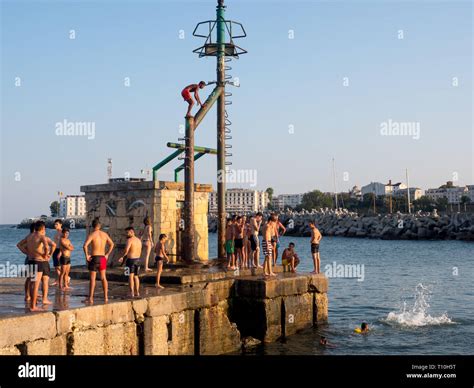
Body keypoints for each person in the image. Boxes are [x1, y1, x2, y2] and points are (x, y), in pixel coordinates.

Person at [82, 218, 114, 304]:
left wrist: (87, 256)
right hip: (103, 258)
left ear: (93, 226)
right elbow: (112, 244)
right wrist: (107, 254)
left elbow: (85, 246)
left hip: (95, 257)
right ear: (99, 226)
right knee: (103, 278)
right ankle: (106, 297)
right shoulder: (105, 234)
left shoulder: (92, 235)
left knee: (93, 279)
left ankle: (91, 298)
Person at [26, 221, 56, 311]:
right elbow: (47, 246)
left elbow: (19, 245)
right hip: (39, 262)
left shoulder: (29, 236)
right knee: (36, 284)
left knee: (32, 283)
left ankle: (33, 303)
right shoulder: (42, 236)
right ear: (43, 228)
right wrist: (47, 255)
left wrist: (28, 253)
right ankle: (33, 306)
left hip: (31, 260)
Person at [118, 227, 142, 297]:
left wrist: (122, 257)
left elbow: (126, 251)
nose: (126, 234)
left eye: (127, 232)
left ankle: (131, 293)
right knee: (136, 276)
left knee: (130, 277)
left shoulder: (129, 240)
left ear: (132, 232)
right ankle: (137, 292)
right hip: (138, 260)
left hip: (130, 261)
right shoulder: (138, 240)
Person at [16, 223, 35, 301]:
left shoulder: (33, 237)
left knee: (33, 278)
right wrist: (27, 252)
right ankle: (27, 295)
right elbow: (19, 245)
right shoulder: (30, 237)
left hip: (34, 259)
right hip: (30, 259)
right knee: (30, 278)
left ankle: (32, 294)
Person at [51, 219, 63, 286]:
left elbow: (63, 243)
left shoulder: (62, 232)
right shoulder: (56, 232)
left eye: (57, 224)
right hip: (55, 250)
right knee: (56, 267)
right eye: (55, 224)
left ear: (61, 225)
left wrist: (60, 252)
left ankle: (66, 278)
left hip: (59, 250)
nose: (55, 225)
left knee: (58, 266)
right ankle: (56, 280)